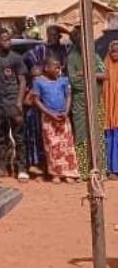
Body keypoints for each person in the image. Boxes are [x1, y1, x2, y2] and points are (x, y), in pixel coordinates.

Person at [0, 28, 29, 181]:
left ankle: (22, 168)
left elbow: (23, 81)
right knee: (0, 138)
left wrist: (19, 101)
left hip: (13, 102)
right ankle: (2, 167)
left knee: (18, 137)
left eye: (9, 39)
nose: (8, 42)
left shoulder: (16, 58)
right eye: (4, 39)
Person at [31, 55, 80, 183]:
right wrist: (49, 114)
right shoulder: (38, 81)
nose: (58, 69)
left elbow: (68, 96)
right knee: (52, 146)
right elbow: (36, 100)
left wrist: (66, 111)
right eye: (56, 67)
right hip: (48, 118)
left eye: (59, 67)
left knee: (66, 146)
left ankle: (69, 173)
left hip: (63, 116)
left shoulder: (64, 80)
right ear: (47, 68)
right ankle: (55, 174)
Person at [68, 24, 106, 181]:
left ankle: (101, 170)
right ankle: (84, 171)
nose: (82, 41)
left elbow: (105, 75)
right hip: (80, 102)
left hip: (96, 100)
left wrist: (85, 73)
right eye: (78, 38)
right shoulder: (72, 58)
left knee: (98, 135)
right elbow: (74, 81)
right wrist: (91, 77)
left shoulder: (94, 55)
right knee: (82, 135)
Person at [24, 64, 47, 178]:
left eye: (38, 76)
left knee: (44, 141)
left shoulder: (46, 85)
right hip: (33, 117)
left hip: (45, 116)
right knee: (33, 141)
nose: (36, 79)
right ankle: (35, 166)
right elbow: (26, 102)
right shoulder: (30, 88)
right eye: (33, 77)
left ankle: (45, 168)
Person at [104, 41, 118, 178]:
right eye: (113, 51)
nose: (115, 54)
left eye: (117, 51)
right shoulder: (105, 65)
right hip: (109, 108)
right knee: (110, 139)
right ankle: (111, 169)